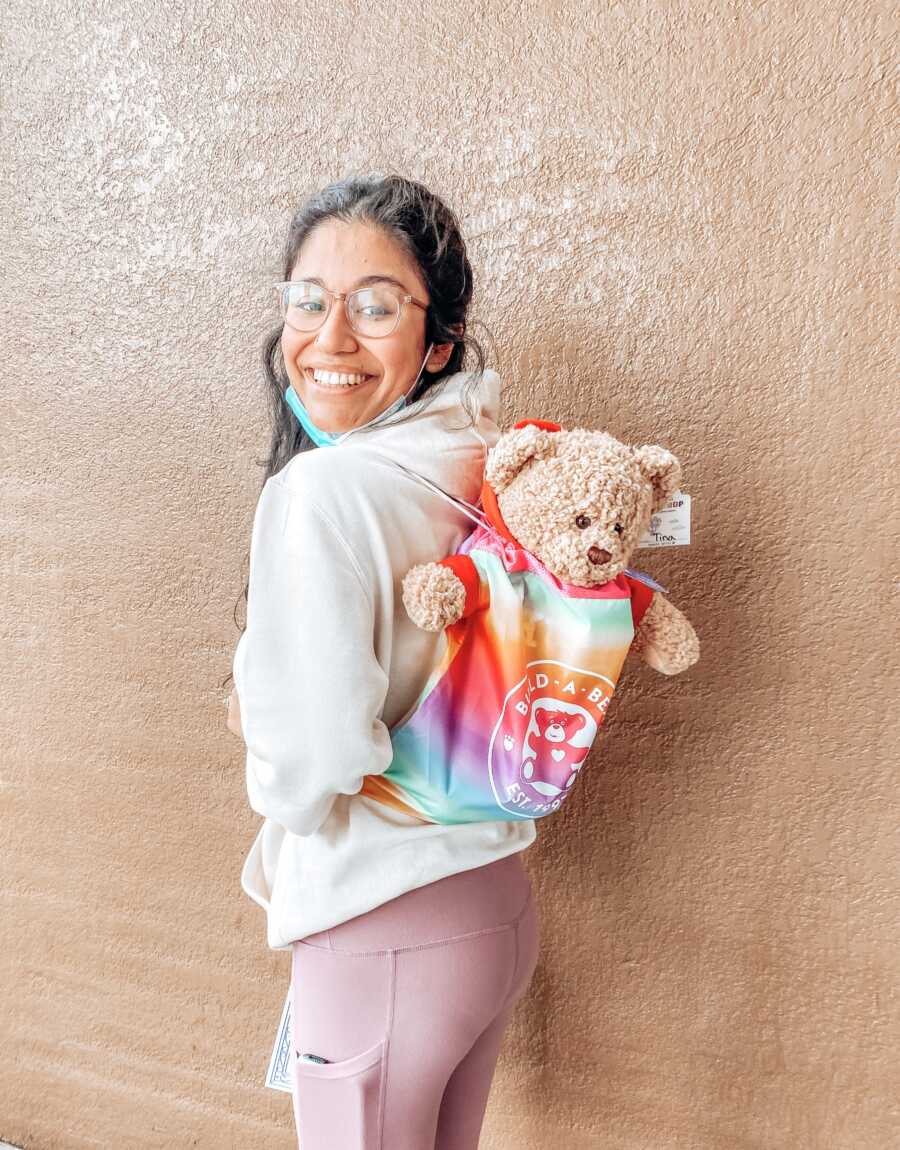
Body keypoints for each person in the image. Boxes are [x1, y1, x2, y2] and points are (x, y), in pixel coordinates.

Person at [225, 174, 540, 1150]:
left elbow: (317, 759)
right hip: (491, 908)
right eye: (309, 302)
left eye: (375, 307)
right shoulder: (481, 461)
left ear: (437, 338)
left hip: (378, 920)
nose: (330, 338)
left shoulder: (322, 491)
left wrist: (261, 739)